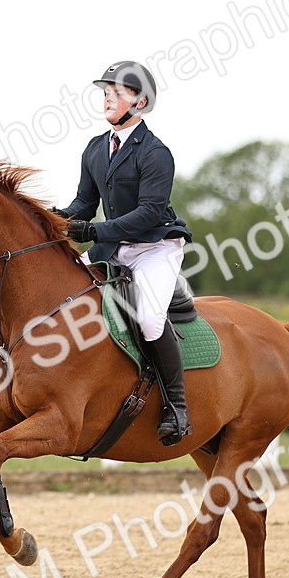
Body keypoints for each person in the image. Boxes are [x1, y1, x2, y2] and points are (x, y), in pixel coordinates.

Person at [57, 61, 193, 445]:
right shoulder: (96, 148)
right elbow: (84, 203)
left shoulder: (155, 152)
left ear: (141, 101)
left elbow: (149, 212)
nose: (107, 99)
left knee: (150, 319)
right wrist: (51, 219)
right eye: (105, 92)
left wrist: (94, 230)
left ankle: (177, 407)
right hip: (114, 247)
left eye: (117, 93)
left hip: (155, 248)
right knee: (65, 296)